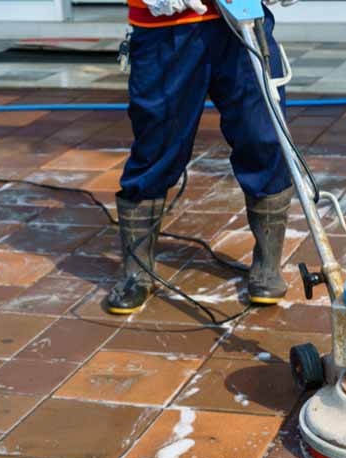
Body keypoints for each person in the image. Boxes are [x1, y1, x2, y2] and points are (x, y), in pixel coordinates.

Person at [106, 0, 293, 315]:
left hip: (242, 19)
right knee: (156, 143)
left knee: (264, 134)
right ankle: (137, 269)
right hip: (167, 29)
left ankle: (268, 265)